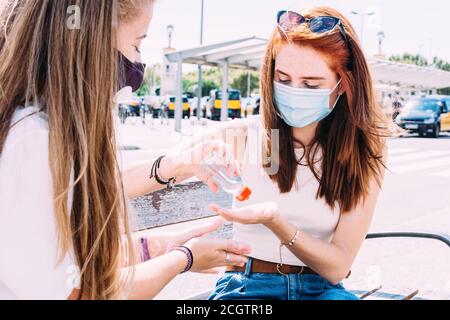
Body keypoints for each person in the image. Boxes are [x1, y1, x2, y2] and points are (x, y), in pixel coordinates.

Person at [0, 0, 250, 300]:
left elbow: (68, 246)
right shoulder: (33, 142)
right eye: (137, 43)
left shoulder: (36, 127)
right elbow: (79, 294)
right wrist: (183, 257)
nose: (137, 68)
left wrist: (162, 242)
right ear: (90, 38)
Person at [199, 6, 390, 300]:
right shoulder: (246, 136)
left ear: (343, 85)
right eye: (283, 80)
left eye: (311, 84)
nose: (293, 92)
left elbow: (338, 266)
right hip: (247, 287)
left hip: (323, 290)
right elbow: (161, 168)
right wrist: (203, 155)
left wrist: (277, 222)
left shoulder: (363, 148)